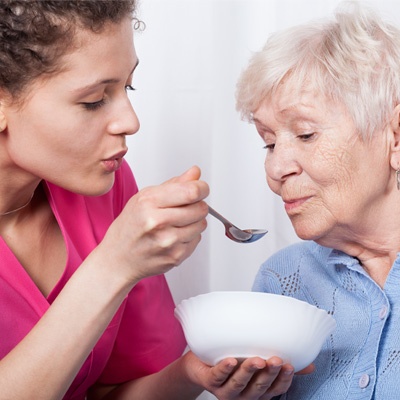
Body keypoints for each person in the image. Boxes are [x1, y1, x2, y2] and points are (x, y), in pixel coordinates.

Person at [0, 1, 301, 399]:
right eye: (93, 100)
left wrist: (191, 375)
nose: (131, 121)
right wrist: (113, 267)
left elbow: (111, 392)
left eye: (128, 86)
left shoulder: (105, 186)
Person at [235, 0, 400, 398]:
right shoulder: (281, 282)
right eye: (269, 143)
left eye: (306, 134)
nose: (277, 169)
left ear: (395, 136)